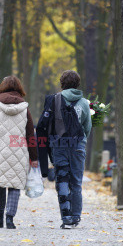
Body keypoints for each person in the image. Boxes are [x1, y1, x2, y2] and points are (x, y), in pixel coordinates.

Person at [37, 70, 92, 229]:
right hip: (77, 147)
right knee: (76, 182)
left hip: (59, 145)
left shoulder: (55, 100)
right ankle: (76, 217)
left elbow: (47, 125)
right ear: (77, 84)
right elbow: (87, 127)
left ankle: (66, 216)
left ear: (62, 83)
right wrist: (81, 142)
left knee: (62, 179)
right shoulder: (83, 103)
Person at [0, 76, 38, 229]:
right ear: (20, 89)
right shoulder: (25, 108)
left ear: (2, 87)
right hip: (18, 151)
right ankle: (10, 218)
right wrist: (34, 157)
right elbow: (30, 135)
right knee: (14, 185)